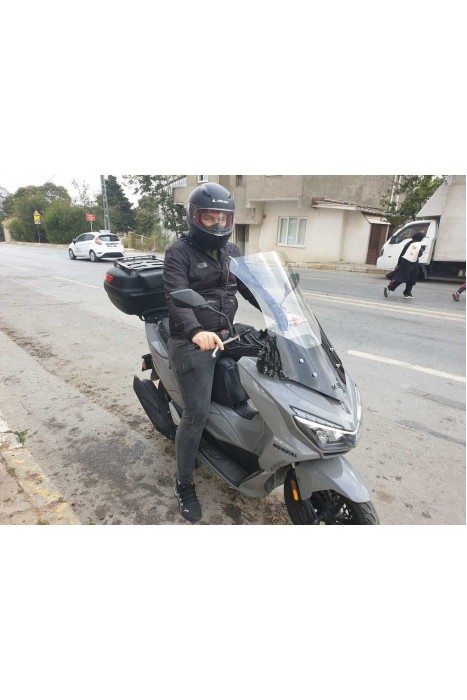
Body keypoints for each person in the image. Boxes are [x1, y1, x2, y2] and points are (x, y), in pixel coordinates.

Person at [163, 183, 261, 522]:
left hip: (226, 332)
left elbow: (250, 287)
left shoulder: (231, 251)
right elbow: (177, 297)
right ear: (194, 218)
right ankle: (184, 483)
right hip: (192, 339)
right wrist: (196, 332)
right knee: (196, 414)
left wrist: (280, 310)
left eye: (223, 219)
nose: (217, 224)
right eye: (210, 218)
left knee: (276, 353)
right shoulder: (179, 252)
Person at [383, 231, 426, 299]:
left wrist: (399, 264)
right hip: (413, 263)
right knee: (411, 278)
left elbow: (402, 254)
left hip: (405, 262)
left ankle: (392, 288)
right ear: (420, 238)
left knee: (403, 277)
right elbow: (419, 254)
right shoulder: (417, 244)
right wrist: (422, 250)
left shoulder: (408, 243)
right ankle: (406, 293)